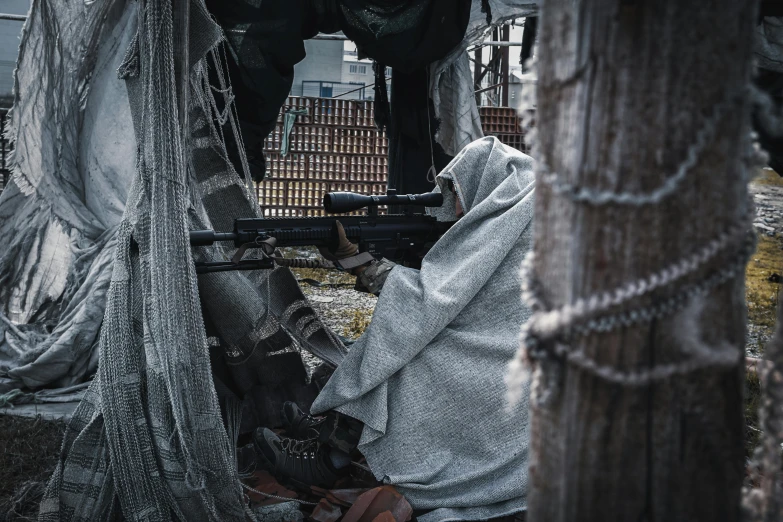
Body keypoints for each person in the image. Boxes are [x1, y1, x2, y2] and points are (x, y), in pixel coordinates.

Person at [254, 136, 536, 522]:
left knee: (411, 351)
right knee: (411, 339)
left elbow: (433, 300)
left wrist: (360, 261)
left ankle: (333, 456)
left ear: (488, 182)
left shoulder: (516, 211)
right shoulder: (527, 203)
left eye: (458, 192)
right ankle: (338, 434)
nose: (454, 207)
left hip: (523, 366)